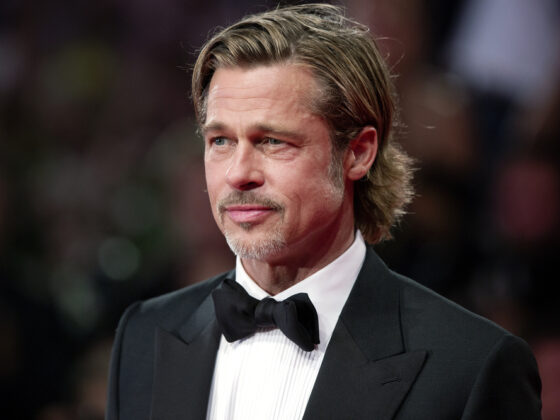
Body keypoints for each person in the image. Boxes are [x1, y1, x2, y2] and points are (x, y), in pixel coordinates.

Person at [106, 4, 541, 419]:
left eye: (272, 141)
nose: (238, 174)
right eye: (220, 141)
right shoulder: (144, 335)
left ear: (358, 152)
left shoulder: (471, 367)